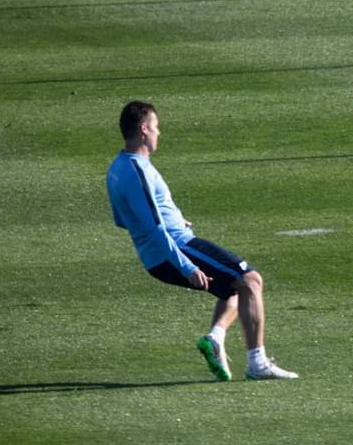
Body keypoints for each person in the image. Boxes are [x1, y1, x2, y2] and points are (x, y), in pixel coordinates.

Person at [105, 101, 298, 381]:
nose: (159, 133)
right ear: (144, 129)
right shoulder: (138, 170)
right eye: (156, 127)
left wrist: (172, 219)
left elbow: (123, 219)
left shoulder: (117, 167)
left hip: (159, 252)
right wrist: (187, 267)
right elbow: (157, 228)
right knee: (251, 280)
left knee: (233, 289)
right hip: (176, 249)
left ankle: (215, 338)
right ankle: (257, 363)